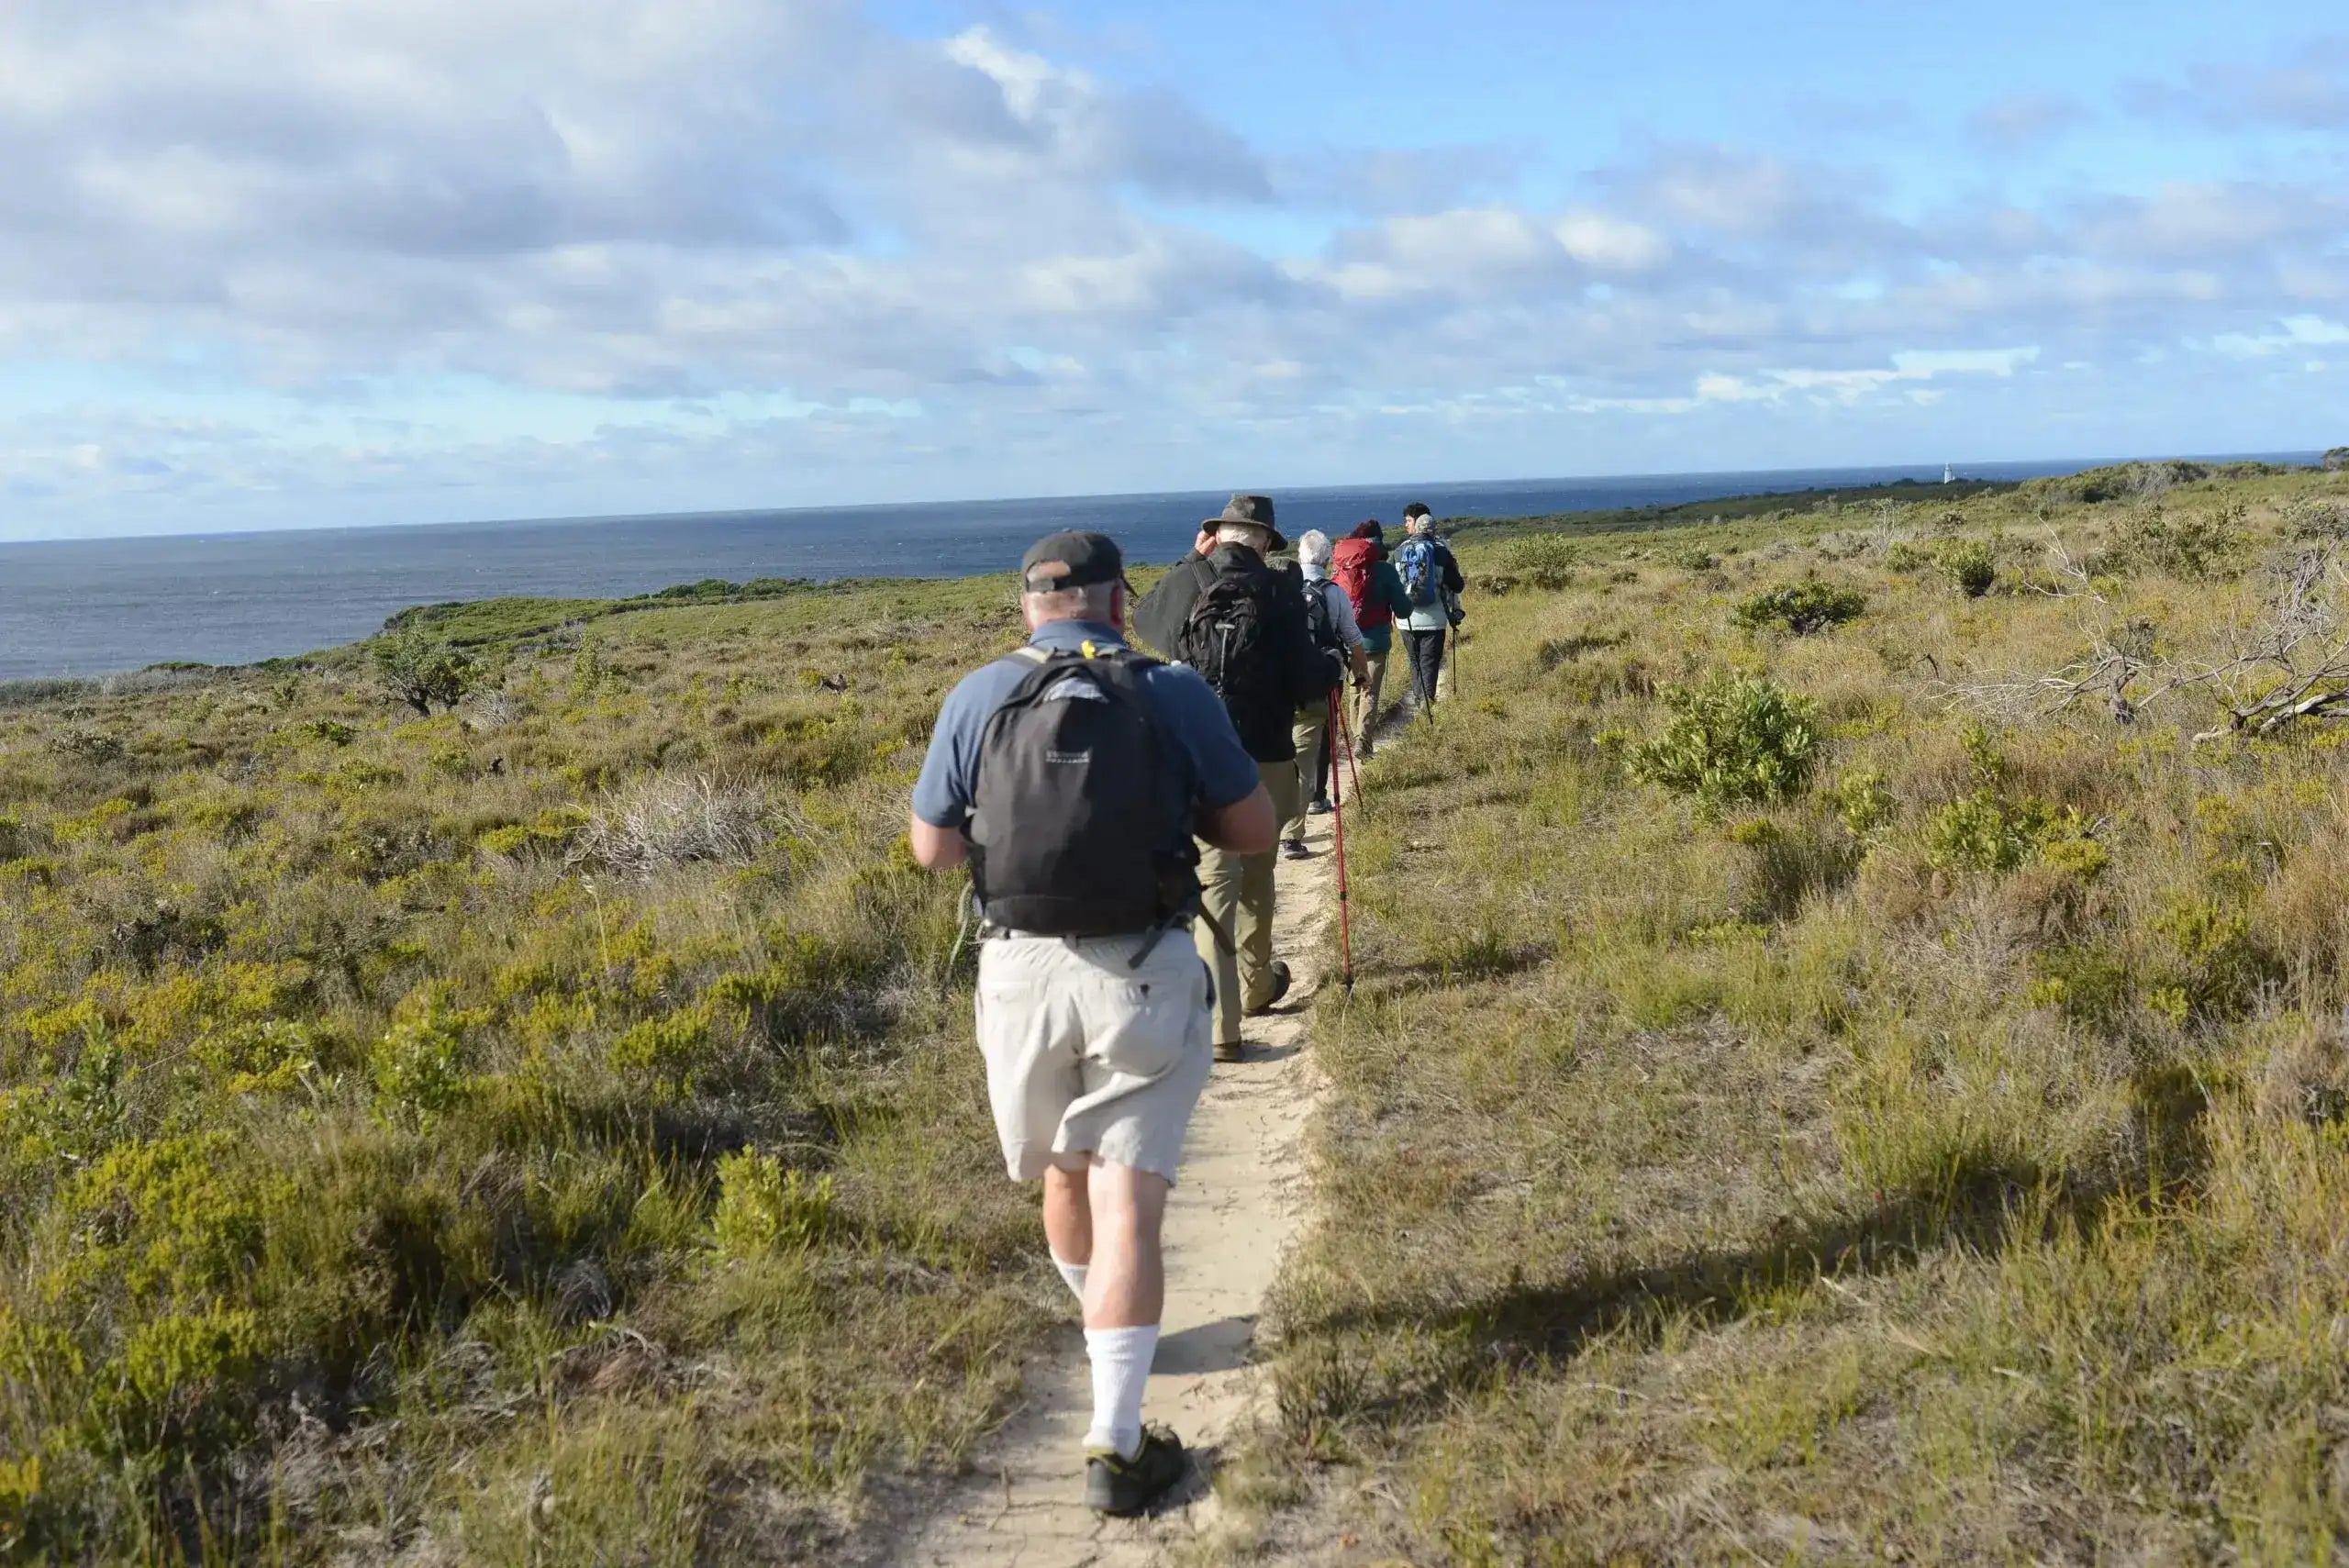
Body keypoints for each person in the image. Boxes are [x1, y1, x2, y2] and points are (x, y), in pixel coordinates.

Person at [908, 529, 1276, 1518]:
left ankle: (1110, 1334)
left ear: (1025, 607)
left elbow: (931, 849)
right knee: (1130, 1198)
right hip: (1141, 969)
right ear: (1121, 603)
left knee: (1064, 1171)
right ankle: (1116, 1443)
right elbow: (1251, 831)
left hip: (1018, 970)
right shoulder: (1169, 692)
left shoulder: (977, 695)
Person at [1132, 495, 1341, 1061]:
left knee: (1212, 887)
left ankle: (1220, 1026)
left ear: (1217, 535)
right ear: (1264, 542)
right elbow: (1305, 681)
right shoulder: (1281, 591)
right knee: (1258, 876)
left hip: (1200, 757)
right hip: (1269, 755)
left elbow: (1143, 618)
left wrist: (1188, 561)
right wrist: (1331, 666)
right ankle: (1257, 987)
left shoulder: (1189, 583)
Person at [1283, 529, 1368, 859]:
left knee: (1278, 755)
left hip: (1279, 688)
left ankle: (1264, 826)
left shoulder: (1283, 590)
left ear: (1299, 556)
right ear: (1328, 559)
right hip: (1320, 686)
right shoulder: (1334, 593)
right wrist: (1361, 676)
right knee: (1312, 750)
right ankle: (1294, 831)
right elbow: (1352, 638)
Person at [1330, 520, 1415, 754]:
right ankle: (1363, 743)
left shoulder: (1345, 568)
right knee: (1370, 692)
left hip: (1349, 640)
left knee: (1356, 689)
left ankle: (1357, 737)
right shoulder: (1386, 570)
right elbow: (1404, 610)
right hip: (1376, 642)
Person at [1395, 502, 1466, 712]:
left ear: (1416, 527)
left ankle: (1419, 701)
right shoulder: (1442, 552)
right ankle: (1427, 703)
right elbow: (1457, 585)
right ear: (1433, 530)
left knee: (1415, 661)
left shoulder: (1399, 551)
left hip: (1406, 619)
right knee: (1430, 661)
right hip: (1434, 620)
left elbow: (1395, 584)